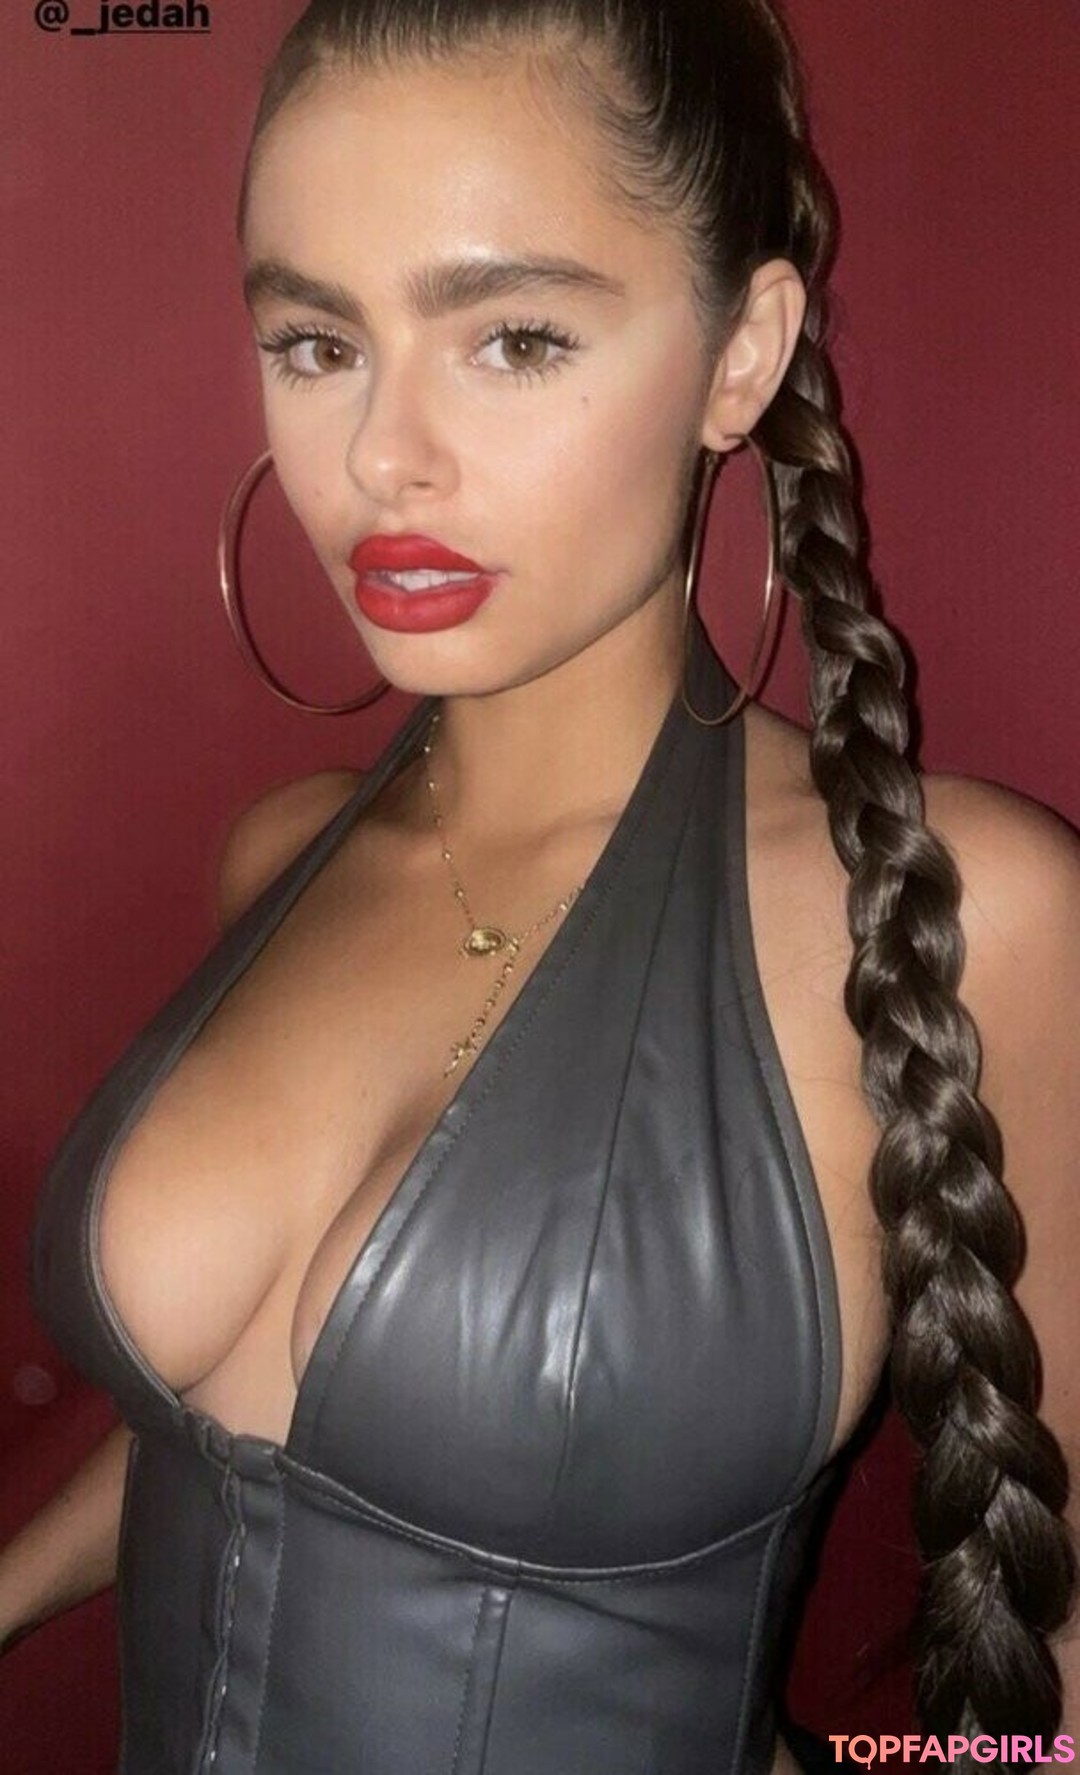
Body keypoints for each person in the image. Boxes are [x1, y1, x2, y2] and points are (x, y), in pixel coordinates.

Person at [5, 0, 1078, 1769]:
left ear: (741, 355)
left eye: (512, 338)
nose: (381, 458)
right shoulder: (278, 856)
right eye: (316, 341)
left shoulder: (953, 916)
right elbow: (249, 1437)